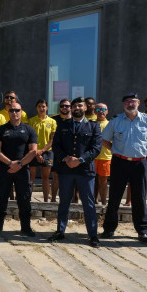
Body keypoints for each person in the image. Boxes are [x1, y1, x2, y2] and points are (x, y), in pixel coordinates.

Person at [100, 93, 147, 243]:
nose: (130, 104)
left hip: (139, 163)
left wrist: (142, 151)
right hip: (119, 162)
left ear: (138, 103)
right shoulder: (116, 121)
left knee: (139, 197)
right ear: (123, 104)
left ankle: (142, 231)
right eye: (127, 102)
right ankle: (109, 229)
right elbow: (104, 139)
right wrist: (114, 149)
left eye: (133, 101)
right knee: (114, 197)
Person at [48, 97, 102, 247]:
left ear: (86, 108)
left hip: (85, 171)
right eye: (74, 105)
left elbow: (96, 148)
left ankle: (92, 234)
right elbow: (56, 146)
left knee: (88, 204)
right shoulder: (62, 125)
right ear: (71, 109)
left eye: (80, 105)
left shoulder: (93, 126)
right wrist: (66, 158)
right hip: (66, 169)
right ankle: (60, 231)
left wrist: (80, 160)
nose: (77, 107)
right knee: (64, 201)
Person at [0, 102, 37, 235]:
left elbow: (33, 151)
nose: (14, 113)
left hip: (23, 170)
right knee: (1, 198)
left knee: (24, 198)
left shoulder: (29, 130)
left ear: (21, 111)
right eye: (11, 110)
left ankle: (26, 227)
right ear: (8, 112)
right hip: (5, 169)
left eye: (17, 110)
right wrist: (10, 163)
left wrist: (20, 164)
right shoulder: (1, 129)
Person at [28, 99, 57, 202]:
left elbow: (52, 140)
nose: (42, 108)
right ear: (36, 108)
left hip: (47, 152)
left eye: (43, 106)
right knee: (31, 177)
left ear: (47, 107)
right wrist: (36, 152)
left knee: (45, 177)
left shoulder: (52, 122)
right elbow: (30, 138)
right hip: (33, 152)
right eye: (39, 106)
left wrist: (42, 151)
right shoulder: (31, 121)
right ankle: (28, 200)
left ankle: (45, 200)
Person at [50, 98, 72, 202]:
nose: (64, 108)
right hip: (57, 152)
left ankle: (71, 200)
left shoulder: (74, 120)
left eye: (67, 106)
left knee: (71, 177)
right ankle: (53, 199)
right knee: (56, 176)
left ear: (70, 107)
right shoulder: (53, 120)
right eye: (62, 106)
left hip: (70, 153)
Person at [94, 103, 111, 205]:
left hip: (105, 157)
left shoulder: (111, 124)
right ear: (95, 111)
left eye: (103, 109)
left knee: (103, 181)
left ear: (107, 111)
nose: (101, 111)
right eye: (98, 109)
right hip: (92, 157)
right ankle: (93, 200)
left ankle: (104, 203)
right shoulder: (91, 123)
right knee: (92, 181)